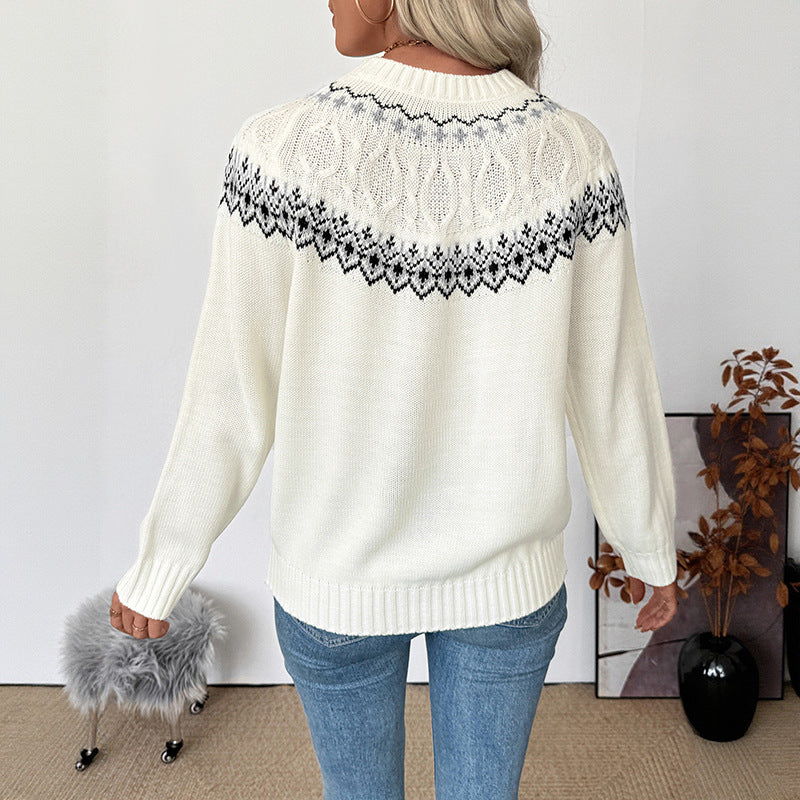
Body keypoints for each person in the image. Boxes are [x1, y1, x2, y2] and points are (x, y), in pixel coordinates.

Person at [110, 0, 678, 797]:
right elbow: (612, 382)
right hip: (508, 584)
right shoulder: (573, 152)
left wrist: (161, 565)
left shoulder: (280, 149)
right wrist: (648, 547)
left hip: (334, 581)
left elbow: (231, 393)